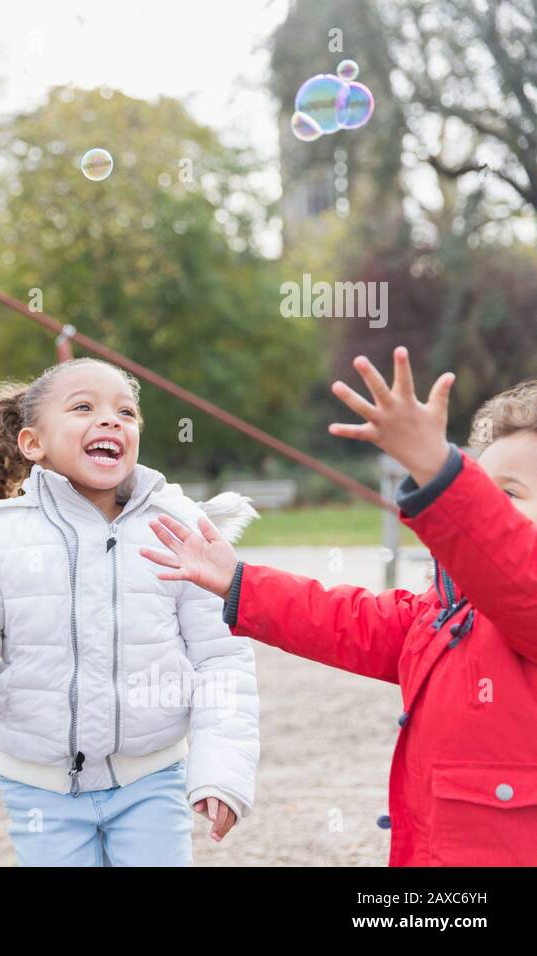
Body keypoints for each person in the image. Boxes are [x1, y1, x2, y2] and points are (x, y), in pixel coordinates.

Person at [141, 348, 537, 866]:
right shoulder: (446, 611)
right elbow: (344, 620)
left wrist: (439, 472)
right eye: (480, 489)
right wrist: (239, 582)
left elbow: (507, 560)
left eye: (507, 493)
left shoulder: (522, 606)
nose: (486, 504)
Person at [0, 357, 260, 866]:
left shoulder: (180, 528)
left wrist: (222, 770)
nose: (111, 420)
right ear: (34, 444)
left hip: (153, 777)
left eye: (126, 412)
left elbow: (221, 658)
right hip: (40, 790)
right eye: (83, 407)